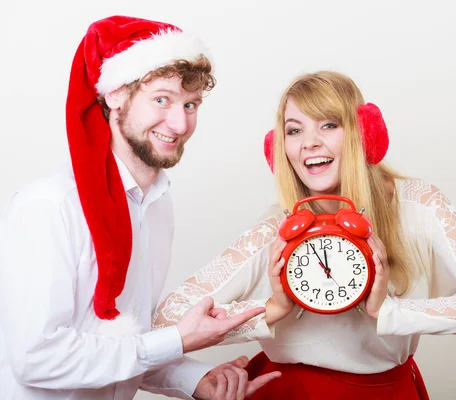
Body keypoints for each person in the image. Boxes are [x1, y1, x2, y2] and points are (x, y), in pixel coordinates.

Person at [152, 70, 456, 399]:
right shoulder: (277, 230)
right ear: (279, 148)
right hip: (294, 391)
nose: (309, 142)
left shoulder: (417, 205)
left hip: (387, 391)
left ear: (365, 132)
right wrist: (271, 311)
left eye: (328, 124)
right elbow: (169, 318)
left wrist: (388, 311)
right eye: (295, 130)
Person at [0, 15, 280, 400]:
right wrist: (178, 340)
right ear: (115, 95)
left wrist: (197, 380)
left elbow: (126, 343)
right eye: (161, 99)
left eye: (191, 104)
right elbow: (36, 358)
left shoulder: (158, 206)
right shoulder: (49, 207)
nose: (180, 123)